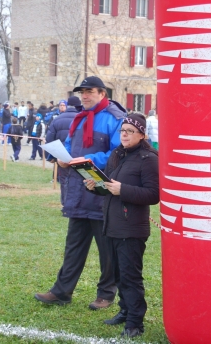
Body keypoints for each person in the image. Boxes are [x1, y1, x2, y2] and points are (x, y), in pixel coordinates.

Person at [34, 76, 126, 309]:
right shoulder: (78, 117)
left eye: (90, 91)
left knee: (106, 248)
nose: (85, 95)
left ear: (102, 93)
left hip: (100, 192)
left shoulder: (115, 119)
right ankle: (62, 291)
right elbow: (72, 148)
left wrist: (89, 159)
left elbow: (118, 153)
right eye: (82, 92)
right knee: (73, 245)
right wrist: (63, 158)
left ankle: (106, 294)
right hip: (77, 192)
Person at [85, 113, 159, 338]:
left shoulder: (149, 158)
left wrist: (123, 190)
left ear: (142, 134)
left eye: (130, 131)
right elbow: (109, 185)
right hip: (112, 223)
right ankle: (125, 311)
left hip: (132, 227)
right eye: (122, 130)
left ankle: (135, 323)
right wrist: (95, 185)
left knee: (130, 276)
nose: (124, 135)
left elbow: (154, 194)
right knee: (117, 274)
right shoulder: (117, 154)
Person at [45, 96, 82, 204]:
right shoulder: (83, 119)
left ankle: (65, 203)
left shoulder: (57, 119)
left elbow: (49, 139)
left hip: (62, 155)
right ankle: (76, 203)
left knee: (64, 180)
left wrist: (51, 156)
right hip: (78, 154)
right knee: (79, 180)